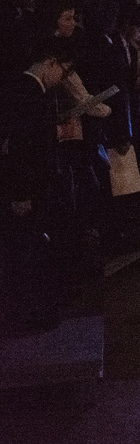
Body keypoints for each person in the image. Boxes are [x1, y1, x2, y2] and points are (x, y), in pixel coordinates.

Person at [0, 38, 77, 333]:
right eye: (63, 71)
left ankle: (36, 311)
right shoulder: (27, 93)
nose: (63, 79)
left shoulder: (27, 91)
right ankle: (32, 314)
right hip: (30, 187)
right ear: (50, 63)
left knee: (33, 250)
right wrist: (21, 193)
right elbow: (20, 148)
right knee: (30, 251)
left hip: (34, 184)